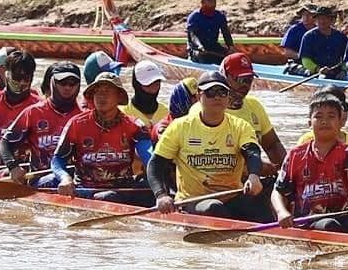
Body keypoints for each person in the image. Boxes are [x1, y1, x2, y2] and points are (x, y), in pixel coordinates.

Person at [149, 70, 270, 220]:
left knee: (263, 199)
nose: (217, 97)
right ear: (199, 96)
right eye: (210, 92)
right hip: (193, 201)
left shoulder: (241, 126)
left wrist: (253, 176)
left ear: (228, 96)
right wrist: (161, 195)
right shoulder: (179, 127)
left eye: (222, 92)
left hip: (230, 196)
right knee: (214, 207)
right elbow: (155, 164)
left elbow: (252, 152)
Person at [274, 92, 348, 234]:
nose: (325, 121)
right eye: (318, 117)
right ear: (309, 123)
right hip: (311, 220)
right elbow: (278, 192)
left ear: (341, 122)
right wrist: (282, 212)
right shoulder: (295, 154)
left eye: (331, 117)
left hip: (346, 215)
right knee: (329, 225)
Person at [51, 69, 155, 203]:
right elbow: (58, 159)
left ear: (119, 97)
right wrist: (64, 178)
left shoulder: (135, 125)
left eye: (107, 92)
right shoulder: (76, 124)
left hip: (123, 191)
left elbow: (149, 158)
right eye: (98, 92)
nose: (101, 96)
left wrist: (160, 185)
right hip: (86, 190)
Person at [296, 5, 348, 78]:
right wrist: (318, 69)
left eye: (325, 18)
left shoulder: (341, 37)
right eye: (319, 19)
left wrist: (344, 71)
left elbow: (347, 59)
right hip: (314, 74)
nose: (322, 21)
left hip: (337, 73)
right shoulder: (308, 36)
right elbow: (305, 60)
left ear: (331, 20)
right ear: (315, 21)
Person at [185, 0, 234, 64]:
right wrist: (200, 46)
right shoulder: (194, 17)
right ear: (202, 2)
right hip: (197, 48)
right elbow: (192, 35)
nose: (213, 3)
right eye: (210, 1)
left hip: (212, 46)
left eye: (214, 1)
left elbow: (225, 32)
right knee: (201, 57)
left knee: (230, 58)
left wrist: (230, 46)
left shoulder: (219, 16)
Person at [123, 60, 170, 131]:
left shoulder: (167, 113)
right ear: (136, 85)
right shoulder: (123, 114)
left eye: (156, 84)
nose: (153, 89)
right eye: (148, 84)